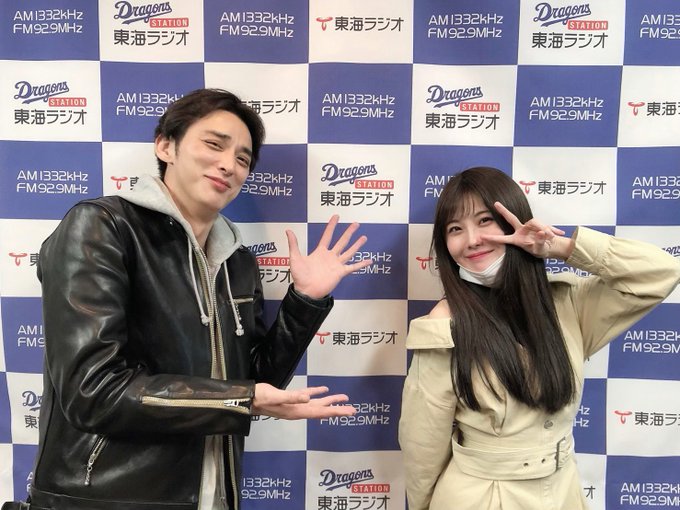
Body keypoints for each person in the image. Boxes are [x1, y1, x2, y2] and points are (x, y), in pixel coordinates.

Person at [9, 88, 371, 510]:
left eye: (243, 159)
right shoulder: (103, 227)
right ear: (166, 146)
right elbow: (93, 390)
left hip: (213, 496)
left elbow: (256, 380)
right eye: (214, 145)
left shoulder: (238, 262)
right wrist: (241, 399)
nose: (229, 165)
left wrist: (304, 301)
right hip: (107, 499)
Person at [398, 167, 680, 510]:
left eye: (485, 221)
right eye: (455, 229)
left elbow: (661, 274)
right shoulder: (444, 325)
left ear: (514, 221)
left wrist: (559, 247)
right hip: (479, 498)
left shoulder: (566, 303)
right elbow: (422, 443)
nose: (471, 240)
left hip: (563, 493)